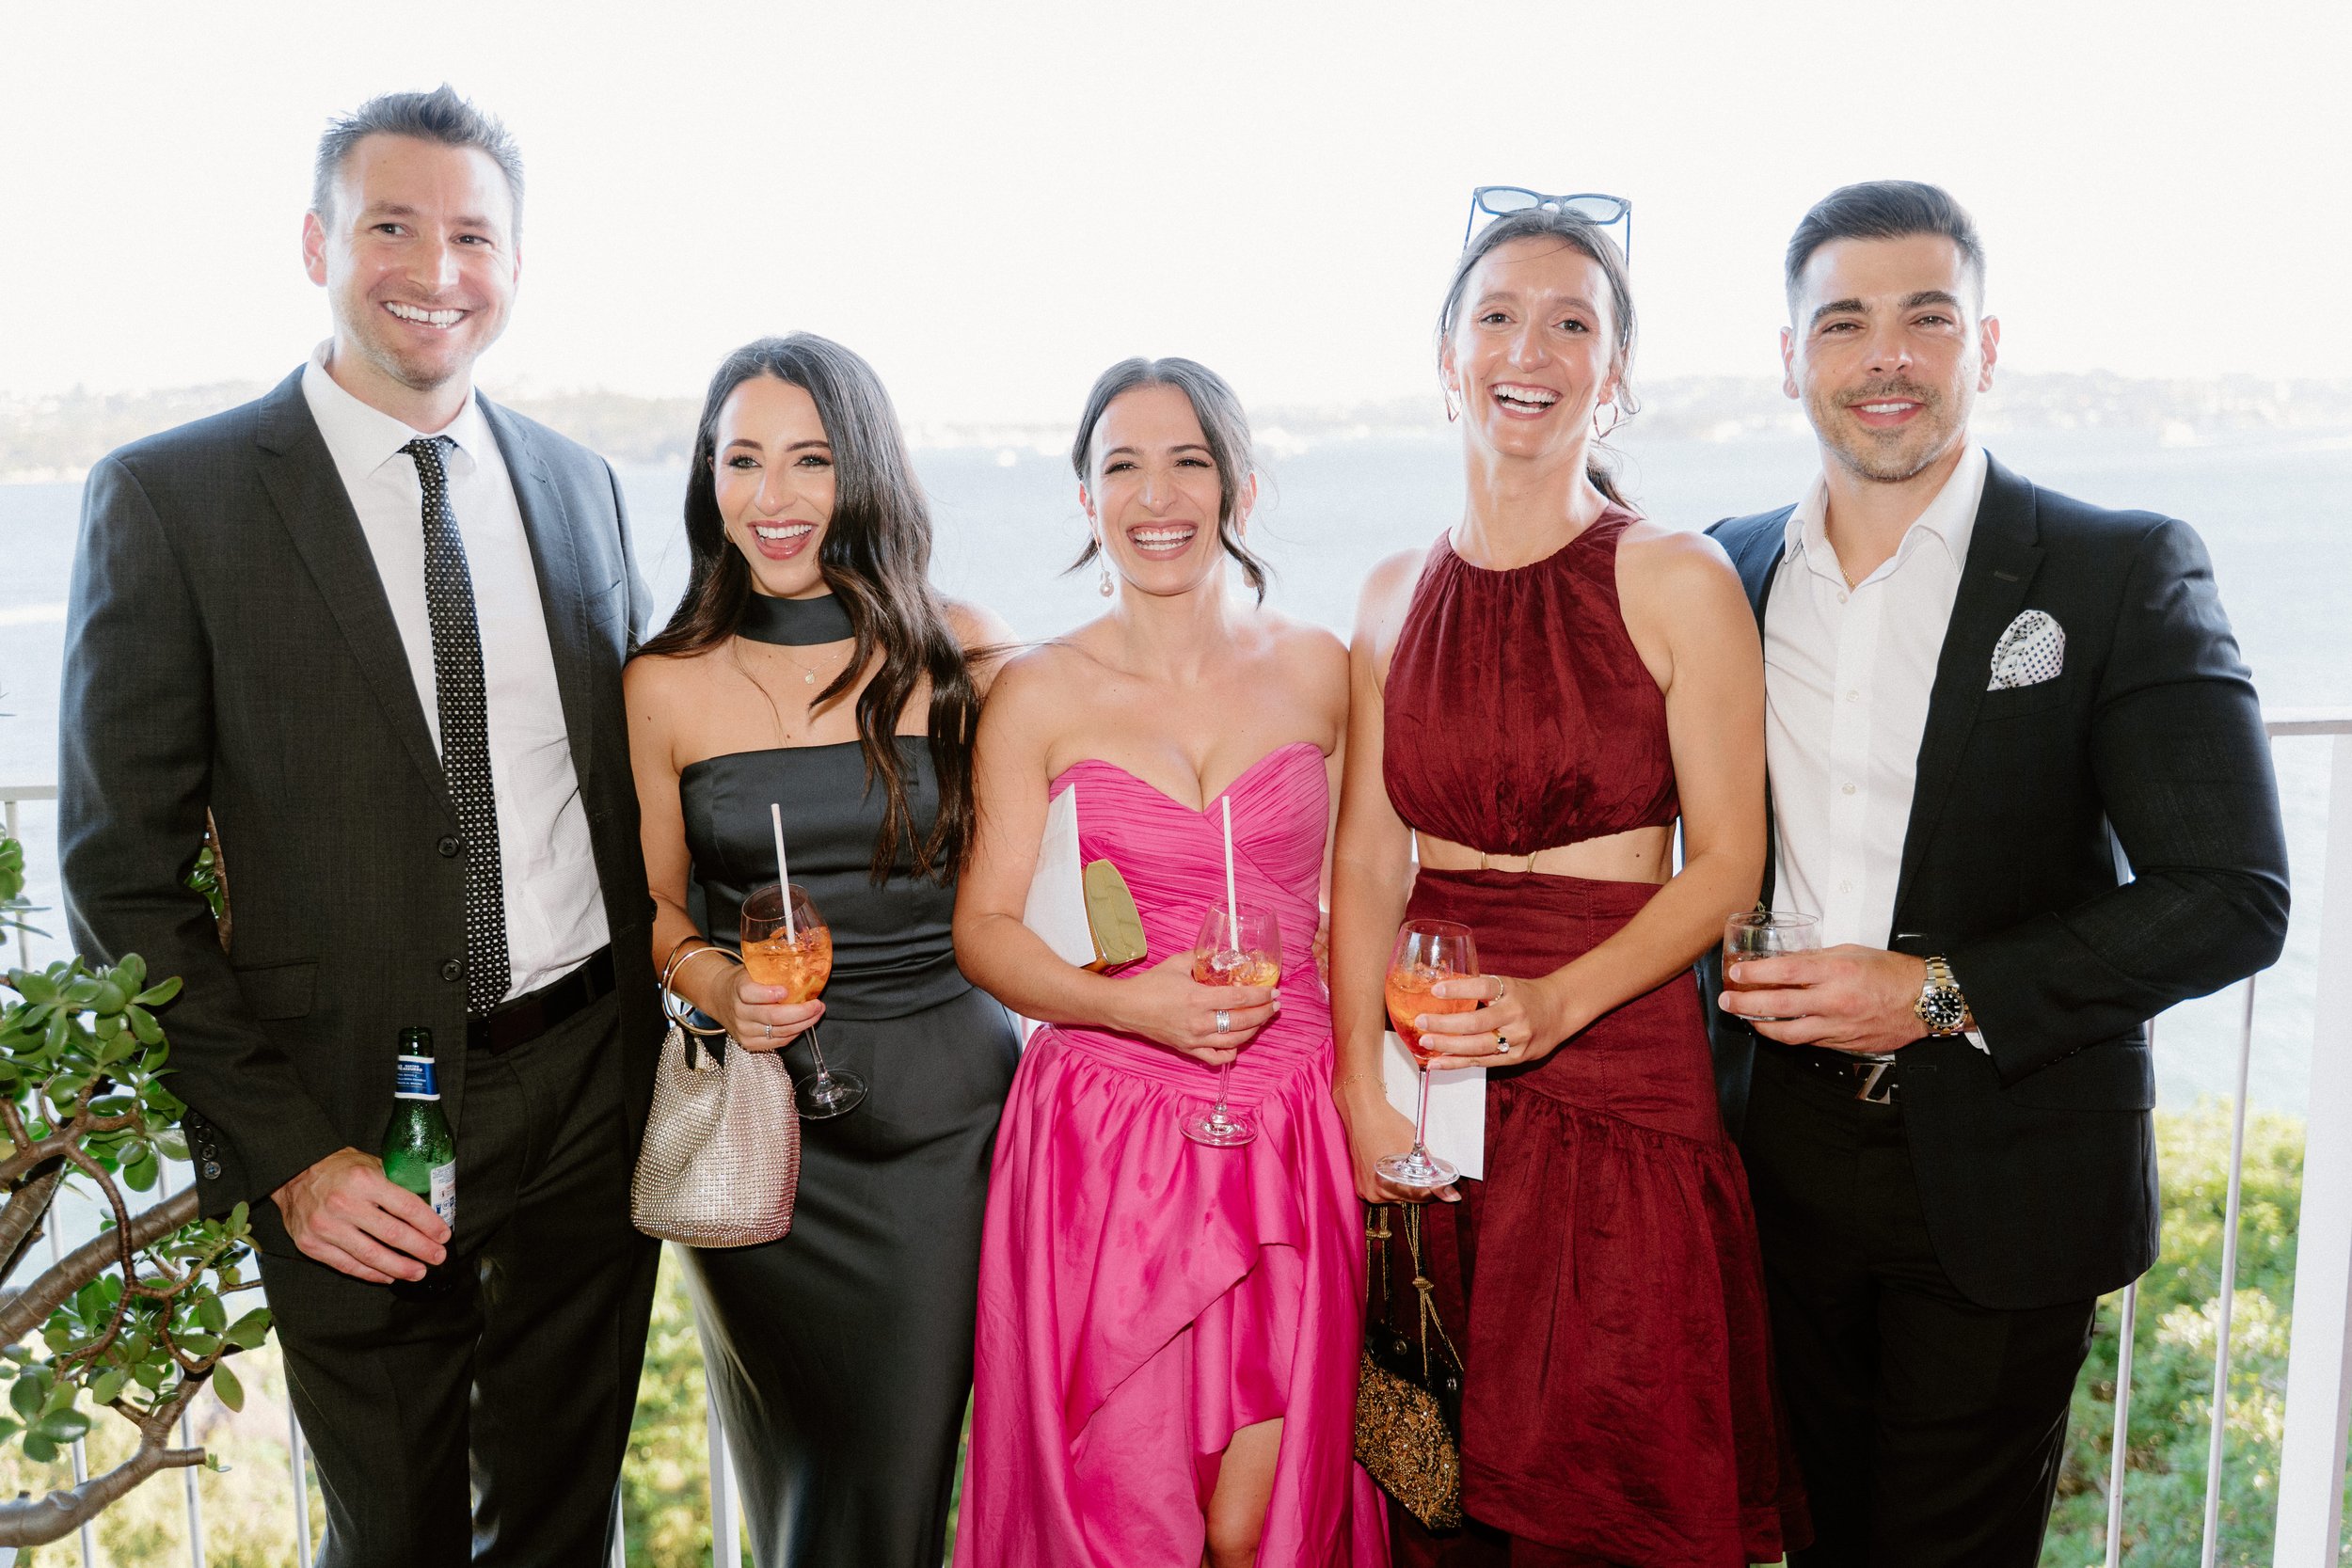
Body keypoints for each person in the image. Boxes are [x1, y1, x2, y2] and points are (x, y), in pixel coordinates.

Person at [57, 87, 661, 1562]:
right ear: (317, 242)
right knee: (391, 1531)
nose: (434, 268)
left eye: (473, 235)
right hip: (356, 1119)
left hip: (593, 1082)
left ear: (515, 266)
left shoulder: (578, 489)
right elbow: (119, 874)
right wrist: (288, 1150)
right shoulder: (173, 497)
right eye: (392, 225)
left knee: (564, 1515)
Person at [1706, 181, 2292, 1566]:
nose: (1886, 355)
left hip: (2005, 1164)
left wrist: (1941, 990)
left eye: (1927, 317)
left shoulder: (2115, 566)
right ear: (1790, 358)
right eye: (1843, 321)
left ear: (1987, 343)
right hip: (1764, 1161)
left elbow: (2232, 888)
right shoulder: (1721, 572)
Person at [1330, 204, 1808, 1567]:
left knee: (1614, 1472)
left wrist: (1553, 1005)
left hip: (1620, 1064)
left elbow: (1728, 863)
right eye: (1497, 315)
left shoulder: (1677, 574)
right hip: (1433, 1078)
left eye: (1571, 322)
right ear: (1446, 356)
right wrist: (1364, 1086)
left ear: (1617, 376)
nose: (1527, 347)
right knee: (1439, 1460)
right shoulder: (1384, 591)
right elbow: (1370, 854)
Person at [951, 358, 1386, 1566]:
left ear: (1241, 487)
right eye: (1122, 465)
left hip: (1291, 1122)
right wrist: (1125, 1004)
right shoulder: (1037, 688)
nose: (1157, 493)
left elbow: (1362, 896)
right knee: (1119, 1517)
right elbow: (985, 928)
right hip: (1106, 1137)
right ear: (1084, 499)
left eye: (1188, 460)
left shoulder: (1320, 666)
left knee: (1257, 1524)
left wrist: (1371, 1084)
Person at [623, 333, 1021, 1566]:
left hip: (948, 1126)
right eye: (743, 459)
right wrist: (717, 985)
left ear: (866, 473)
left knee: (897, 1491)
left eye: (810, 458)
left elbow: (1062, 867)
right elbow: (658, 911)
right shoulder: (665, 680)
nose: (775, 495)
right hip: (766, 1138)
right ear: (709, 476)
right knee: (802, 1494)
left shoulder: (962, 647)